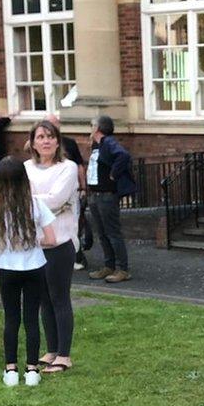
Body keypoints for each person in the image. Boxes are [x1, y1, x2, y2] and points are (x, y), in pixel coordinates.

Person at [0, 157, 56, 387]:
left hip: (7, 268)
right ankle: (32, 370)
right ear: (24, 179)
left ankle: (11, 369)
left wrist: (8, 243)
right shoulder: (35, 204)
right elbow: (52, 239)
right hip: (35, 266)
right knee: (31, 318)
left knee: (11, 318)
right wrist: (31, 242)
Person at [24, 120, 80, 374]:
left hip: (60, 242)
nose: (45, 141)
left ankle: (64, 355)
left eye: (50, 136)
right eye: (40, 137)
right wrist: (40, 202)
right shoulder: (25, 168)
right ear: (33, 142)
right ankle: (52, 348)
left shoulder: (67, 168)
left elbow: (57, 199)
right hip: (35, 243)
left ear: (57, 141)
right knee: (43, 299)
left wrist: (30, 201)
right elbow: (19, 197)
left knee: (59, 297)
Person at [87, 115, 133, 283]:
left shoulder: (108, 142)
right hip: (95, 194)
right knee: (102, 233)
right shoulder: (96, 145)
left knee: (113, 233)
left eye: (92, 125)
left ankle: (123, 269)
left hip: (107, 195)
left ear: (98, 128)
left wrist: (114, 174)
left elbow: (123, 156)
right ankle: (109, 265)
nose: (90, 128)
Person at [45, 114, 89, 270]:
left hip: (69, 194)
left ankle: (75, 256)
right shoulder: (38, 146)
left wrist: (83, 187)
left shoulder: (69, 144)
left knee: (73, 224)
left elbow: (79, 166)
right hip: (48, 193)